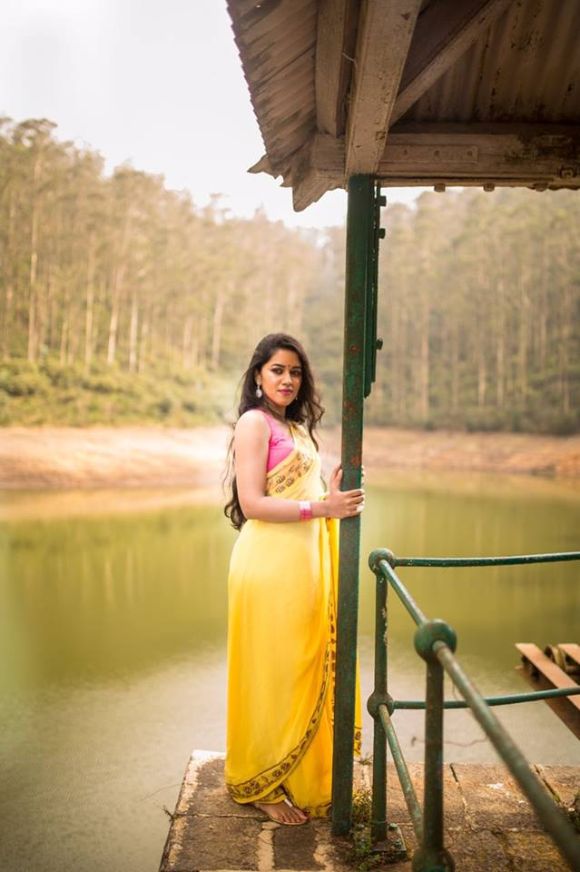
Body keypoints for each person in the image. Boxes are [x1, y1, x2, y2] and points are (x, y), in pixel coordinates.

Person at [224, 333, 364, 826]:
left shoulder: (296, 427)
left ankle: (302, 775)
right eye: (277, 370)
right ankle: (261, 781)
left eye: (295, 372)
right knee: (272, 673)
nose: (287, 379)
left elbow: (304, 495)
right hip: (268, 568)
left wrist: (331, 493)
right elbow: (253, 504)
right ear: (258, 375)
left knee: (302, 667)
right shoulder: (254, 423)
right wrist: (323, 508)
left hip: (303, 567)